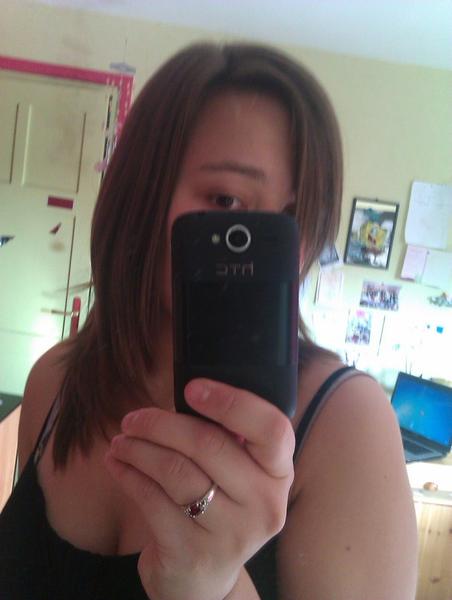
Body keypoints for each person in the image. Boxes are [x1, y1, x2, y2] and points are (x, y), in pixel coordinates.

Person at [0, 42, 418, 599]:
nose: (266, 253)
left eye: (292, 219)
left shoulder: (347, 422)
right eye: (226, 201)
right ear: (138, 197)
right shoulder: (56, 380)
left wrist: (212, 585)